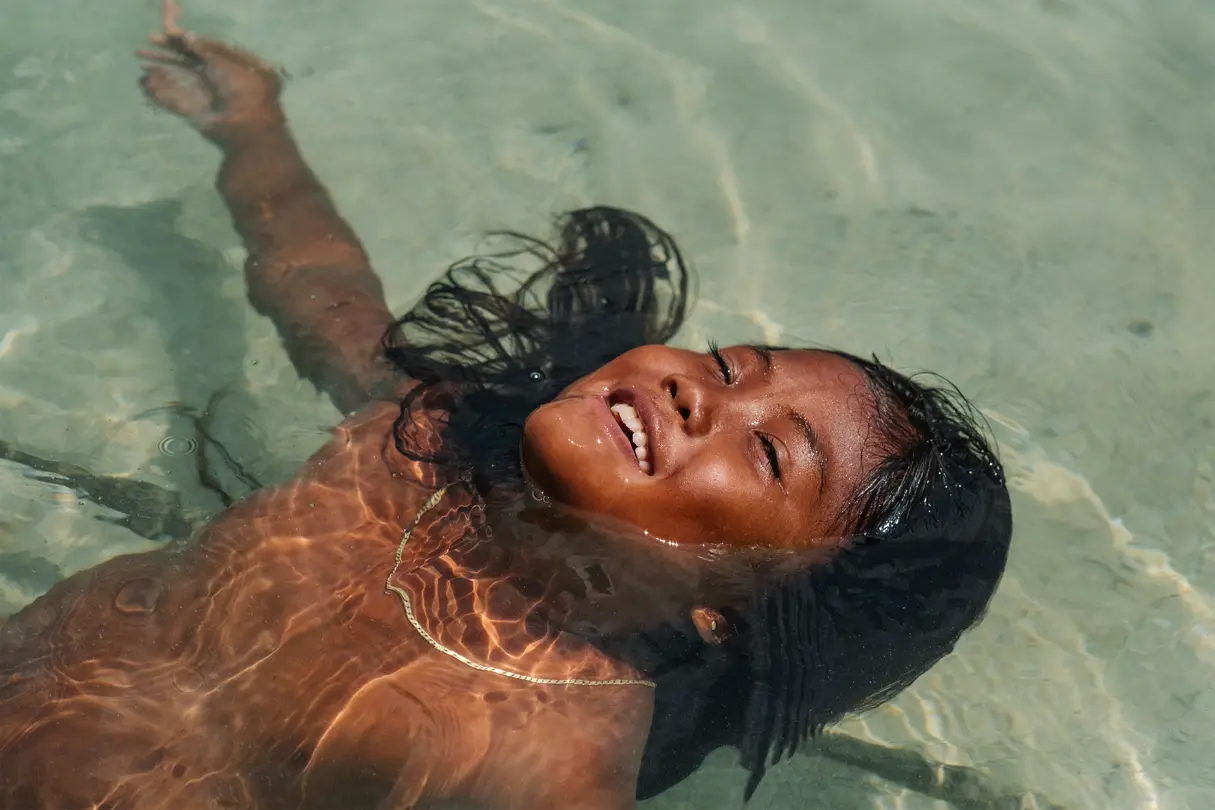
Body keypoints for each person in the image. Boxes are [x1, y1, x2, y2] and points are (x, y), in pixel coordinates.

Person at [0, 3, 1013, 809]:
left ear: (730, 610)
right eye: (727, 365)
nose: (695, 393)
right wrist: (252, 131)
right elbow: (316, 284)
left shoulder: (554, 753)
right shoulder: (428, 438)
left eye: (770, 457)